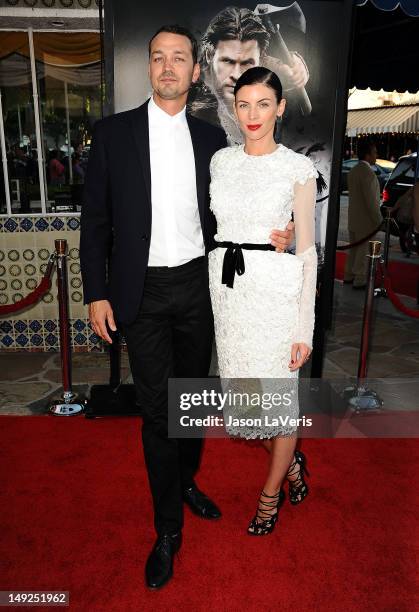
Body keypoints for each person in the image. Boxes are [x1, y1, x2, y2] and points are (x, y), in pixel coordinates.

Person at [80, 26, 294, 589]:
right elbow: (95, 224)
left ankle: (188, 478)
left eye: (179, 58)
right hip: (141, 293)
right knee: (157, 412)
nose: (169, 67)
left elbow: (249, 198)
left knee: (193, 402)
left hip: (201, 290)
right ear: (148, 68)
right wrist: (96, 292)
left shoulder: (213, 143)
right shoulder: (112, 135)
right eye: (159, 58)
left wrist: (285, 230)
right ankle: (167, 529)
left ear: (195, 72)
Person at [209, 67, 317, 535]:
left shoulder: (298, 168)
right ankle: (292, 467)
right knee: (248, 407)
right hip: (230, 296)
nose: (252, 115)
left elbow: (309, 252)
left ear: (281, 108)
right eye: (244, 104)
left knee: (279, 405)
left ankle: (270, 495)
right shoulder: (220, 162)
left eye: (263, 104)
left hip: (274, 297)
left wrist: (303, 328)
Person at [189, 6, 309, 144]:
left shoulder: (265, 73)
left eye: (246, 63)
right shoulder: (191, 79)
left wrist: (297, 66)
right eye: (227, 61)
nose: (236, 75)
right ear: (209, 55)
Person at [343, 140, 383, 289]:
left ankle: (349, 275)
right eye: (374, 153)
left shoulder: (353, 172)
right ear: (368, 155)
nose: (376, 156)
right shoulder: (368, 174)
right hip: (366, 221)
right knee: (362, 252)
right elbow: (371, 202)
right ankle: (360, 279)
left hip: (353, 218)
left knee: (353, 250)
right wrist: (379, 221)